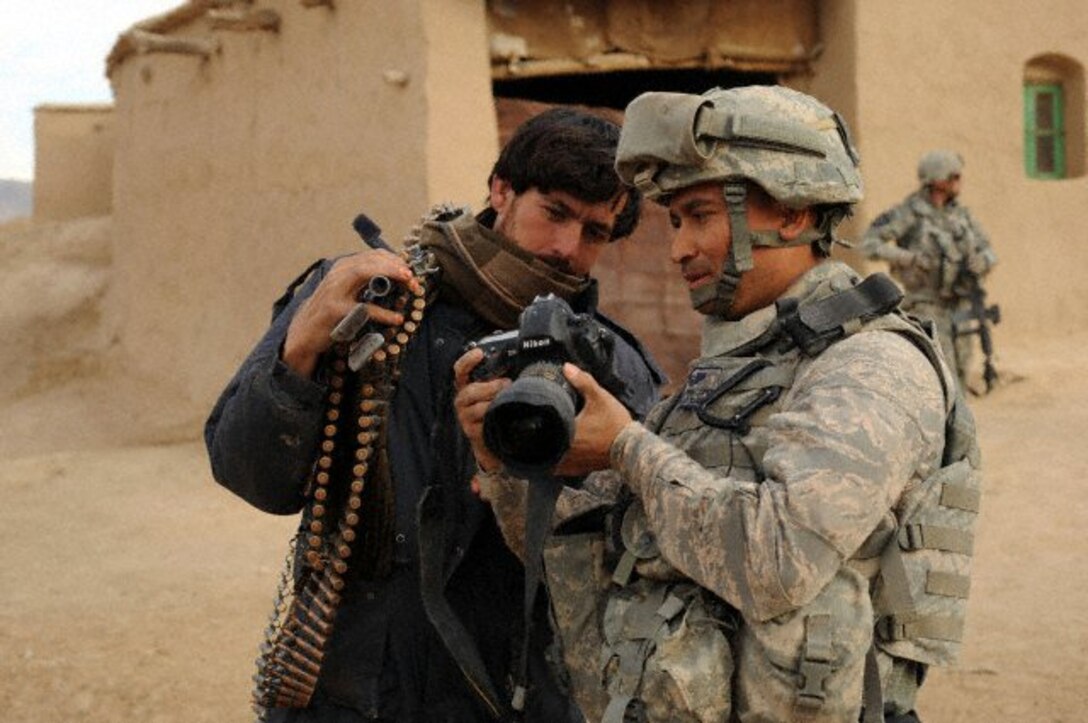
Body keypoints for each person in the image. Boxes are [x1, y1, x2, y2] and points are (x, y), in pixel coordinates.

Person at [455, 87, 982, 723]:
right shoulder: (735, 371)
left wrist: (627, 446)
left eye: (700, 215)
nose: (678, 248)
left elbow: (777, 561)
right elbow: (572, 554)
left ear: (790, 212)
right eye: (674, 220)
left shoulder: (871, 367)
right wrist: (504, 462)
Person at [204, 107, 664, 723]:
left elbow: (635, 557)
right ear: (501, 189)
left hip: (517, 696)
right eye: (553, 212)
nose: (566, 248)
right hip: (357, 692)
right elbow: (248, 473)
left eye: (595, 233)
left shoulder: (612, 368)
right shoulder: (369, 301)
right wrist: (304, 343)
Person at [860, 150, 998, 388]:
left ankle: (957, 423)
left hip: (962, 305)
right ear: (937, 179)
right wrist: (909, 258)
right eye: (954, 176)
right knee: (943, 375)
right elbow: (868, 244)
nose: (959, 182)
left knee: (963, 373)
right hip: (927, 305)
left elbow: (989, 250)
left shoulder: (961, 215)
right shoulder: (909, 213)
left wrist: (982, 261)